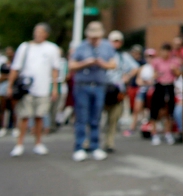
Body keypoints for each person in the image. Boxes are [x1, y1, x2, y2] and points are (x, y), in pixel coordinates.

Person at [7, 23, 60, 157]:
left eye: (41, 32)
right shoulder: (25, 47)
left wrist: (54, 88)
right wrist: (9, 85)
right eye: (36, 31)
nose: (38, 34)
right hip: (26, 89)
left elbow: (55, 69)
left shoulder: (51, 48)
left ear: (46, 34)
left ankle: (38, 143)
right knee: (24, 116)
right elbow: (15, 67)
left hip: (43, 88)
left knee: (39, 116)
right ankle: (19, 144)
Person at [69, 21, 117, 161]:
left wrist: (102, 63)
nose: (94, 39)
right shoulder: (81, 47)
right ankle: (79, 146)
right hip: (82, 85)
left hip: (99, 85)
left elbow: (113, 64)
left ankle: (95, 145)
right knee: (82, 117)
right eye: (92, 36)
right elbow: (71, 65)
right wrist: (86, 62)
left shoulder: (107, 46)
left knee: (96, 117)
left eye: (96, 36)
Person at [104, 30, 139, 152]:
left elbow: (135, 68)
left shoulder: (123, 57)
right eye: (114, 41)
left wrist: (127, 77)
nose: (116, 43)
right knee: (96, 118)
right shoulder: (103, 54)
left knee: (113, 118)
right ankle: (91, 142)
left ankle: (109, 143)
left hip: (117, 91)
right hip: (103, 89)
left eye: (118, 41)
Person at [149, 42, 182, 145]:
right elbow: (153, 74)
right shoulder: (157, 61)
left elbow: (178, 75)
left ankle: (168, 133)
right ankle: (154, 134)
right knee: (155, 111)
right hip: (160, 86)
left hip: (170, 86)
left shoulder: (174, 61)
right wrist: (157, 75)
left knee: (169, 111)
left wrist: (174, 69)